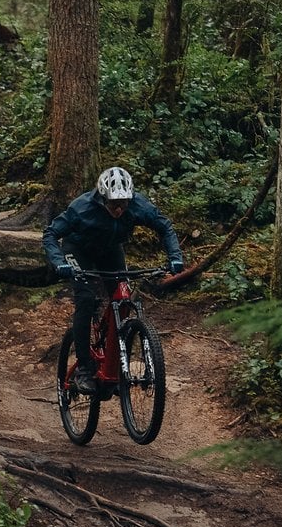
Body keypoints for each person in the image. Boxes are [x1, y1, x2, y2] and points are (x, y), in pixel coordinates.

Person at [43, 166, 185, 394]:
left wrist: (175, 257)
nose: (119, 209)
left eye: (124, 204)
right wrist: (60, 262)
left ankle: (117, 369)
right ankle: (84, 370)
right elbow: (51, 233)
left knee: (123, 296)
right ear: (102, 198)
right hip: (79, 250)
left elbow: (164, 227)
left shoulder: (138, 204)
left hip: (111, 251)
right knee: (86, 299)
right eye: (113, 204)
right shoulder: (82, 208)